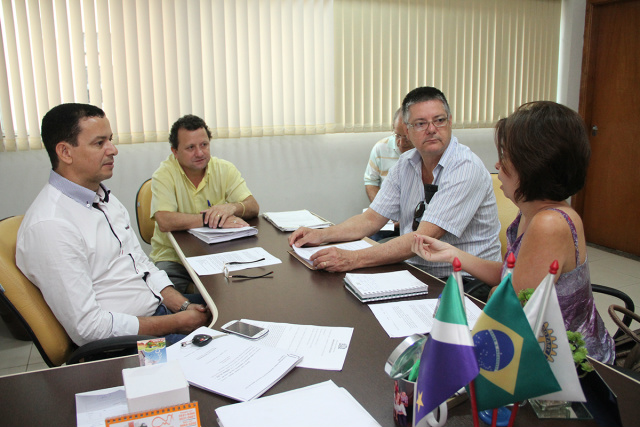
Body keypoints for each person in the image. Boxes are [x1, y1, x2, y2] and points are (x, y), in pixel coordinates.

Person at [411, 101, 614, 363]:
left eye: (506, 156)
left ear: (533, 165)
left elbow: (508, 308)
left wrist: (493, 294)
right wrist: (453, 254)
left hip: (566, 367)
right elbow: (512, 275)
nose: (498, 163)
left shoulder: (549, 224)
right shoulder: (531, 213)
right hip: (533, 351)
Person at [16, 103, 210, 347]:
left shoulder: (103, 198)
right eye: (100, 143)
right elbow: (90, 329)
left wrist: (181, 305)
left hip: (158, 311)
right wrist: (177, 322)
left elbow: (140, 264)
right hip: (132, 340)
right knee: (233, 358)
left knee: (234, 311)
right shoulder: (51, 226)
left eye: (110, 140)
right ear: (65, 152)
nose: (113, 150)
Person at [289, 87, 501, 279]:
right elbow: (371, 219)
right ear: (406, 131)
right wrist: (322, 234)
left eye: (439, 120)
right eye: (420, 123)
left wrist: (352, 259)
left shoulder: (465, 167)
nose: (432, 129)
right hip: (416, 269)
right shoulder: (405, 164)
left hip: (463, 280)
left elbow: (423, 238)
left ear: (450, 121)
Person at [150, 114, 259, 293]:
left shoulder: (224, 169)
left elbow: (253, 206)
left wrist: (232, 207)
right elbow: (164, 220)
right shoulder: (164, 174)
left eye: (204, 145)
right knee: (166, 296)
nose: (200, 153)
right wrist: (213, 219)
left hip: (218, 254)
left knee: (247, 289)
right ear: (175, 152)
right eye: (190, 147)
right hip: (174, 258)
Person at [364, 107, 414, 241]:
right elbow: (371, 182)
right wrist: (383, 212)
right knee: (368, 240)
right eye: (397, 135)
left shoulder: (426, 156)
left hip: (416, 222)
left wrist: (406, 220)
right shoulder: (381, 148)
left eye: (407, 138)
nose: (401, 143)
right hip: (387, 219)